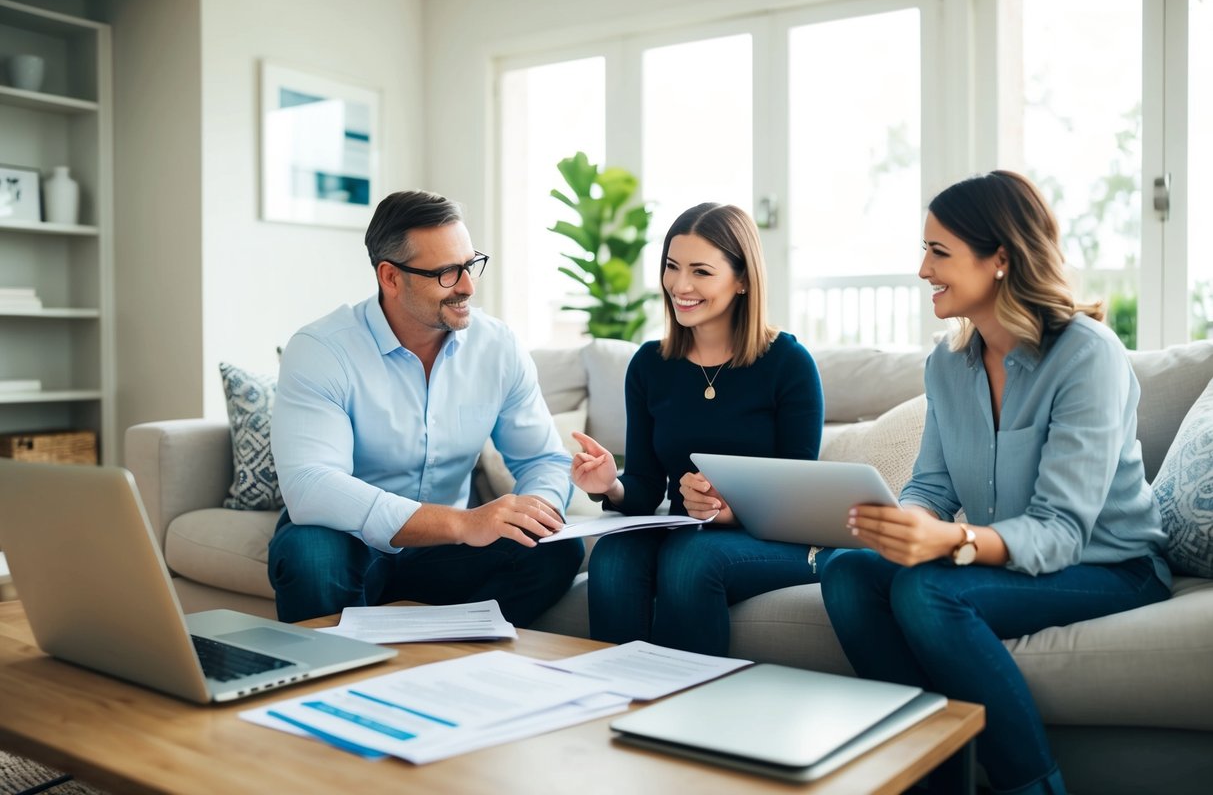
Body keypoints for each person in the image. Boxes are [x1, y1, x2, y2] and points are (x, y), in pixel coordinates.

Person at [820, 171, 1171, 795]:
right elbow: (930, 487)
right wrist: (901, 525)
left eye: (939, 252)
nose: (923, 270)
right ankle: (933, 781)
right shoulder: (947, 365)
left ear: (1000, 258)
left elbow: (1061, 532)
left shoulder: (1087, 356)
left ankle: (1034, 787)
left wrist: (950, 543)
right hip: (1008, 560)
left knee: (928, 594)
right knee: (848, 570)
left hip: (1112, 565)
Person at [268, 190, 584, 625]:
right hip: (349, 541)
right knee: (313, 554)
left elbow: (543, 459)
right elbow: (310, 485)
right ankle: (338, 682)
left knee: (555, 549)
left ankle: (448, 657)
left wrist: (530, 512)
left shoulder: (497, 347)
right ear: (390, 277)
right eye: (447, 273)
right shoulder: (322, 349)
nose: (468, 287)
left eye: (470, 265)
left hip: (447, 556)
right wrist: (461, 523)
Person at [570, 202, 828, 656]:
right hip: (688, 527)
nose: (680, 285)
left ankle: (692, 712)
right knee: (613, 556)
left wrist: (727, 510)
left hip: (774, 539)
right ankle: (614, 703)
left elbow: (799, 496)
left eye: (701, 271)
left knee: (690, 559)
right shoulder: (650, 366)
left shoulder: (788, 364)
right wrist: (610, 486)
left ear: (743, 279)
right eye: (672, 267)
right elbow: (647, 489)